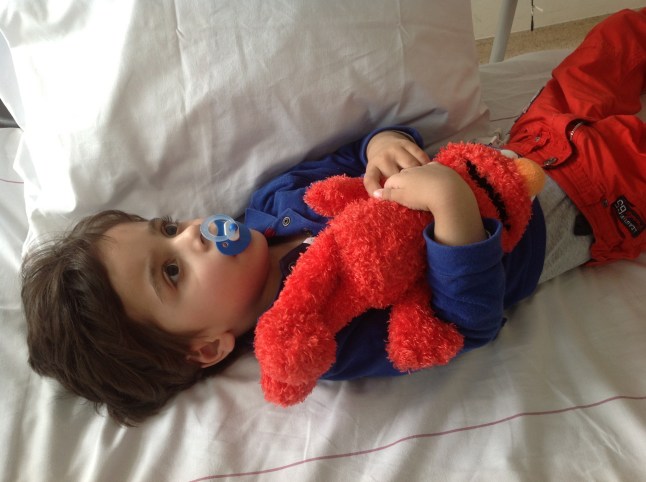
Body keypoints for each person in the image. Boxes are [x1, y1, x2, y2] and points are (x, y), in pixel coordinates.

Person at [21, 8, 645, 426]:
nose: (191, 235)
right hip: (582, 207)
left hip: (529, 144)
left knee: (618, 38)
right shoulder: (322, 340)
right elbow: (464, 324)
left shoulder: (271, 205)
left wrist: (383, 146)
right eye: (172, 272)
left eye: (166, 228)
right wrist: (450, 204)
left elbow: (355, 155)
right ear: (208, 347)